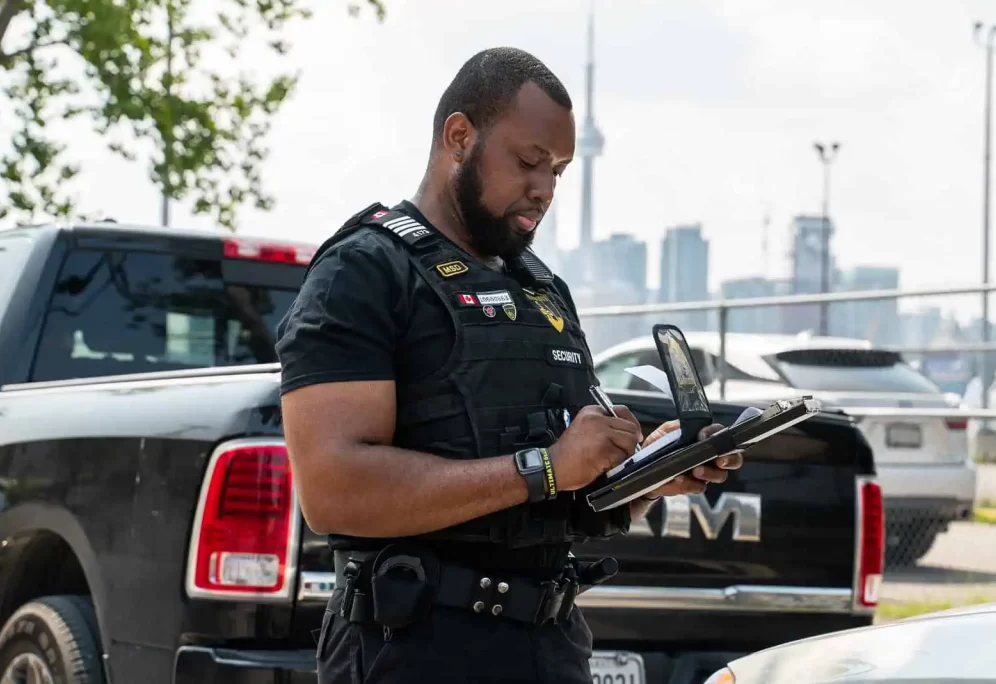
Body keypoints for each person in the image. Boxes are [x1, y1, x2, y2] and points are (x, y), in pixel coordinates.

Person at [275, 47, 744, 684]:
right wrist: (544, 467)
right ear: (459, 137)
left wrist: (650, 475)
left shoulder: (541, 289)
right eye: (528, 162)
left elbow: (561, 501)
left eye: (559, 170)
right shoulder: (362, 272)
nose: (544, 189)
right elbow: (333, 491)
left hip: (549, 647)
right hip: (413, 651)